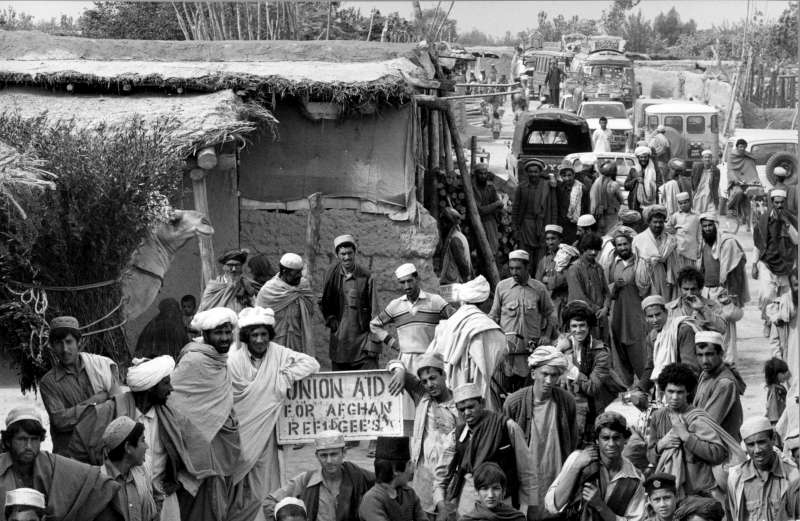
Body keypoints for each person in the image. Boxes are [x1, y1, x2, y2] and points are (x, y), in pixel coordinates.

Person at [68, 355, 230, 521]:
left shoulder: (173, 418)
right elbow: (78, 448)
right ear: (151, 386)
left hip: (164, 498)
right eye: (166, 383)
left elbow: (200, 452)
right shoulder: (108, 412)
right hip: (123, 497)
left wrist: (178, 480)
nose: (171, 389)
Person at [170, 307, 256, 520]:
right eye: (219, 333)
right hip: (201, 447)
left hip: (221, 442)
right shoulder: (194, 360)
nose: (225, 337)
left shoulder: (220, 359)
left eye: (228, 332)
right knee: (202, 506)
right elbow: (176, 402)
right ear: (206, 335)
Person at [229, 306, 320, 501]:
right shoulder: (234, 360)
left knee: (267, 478)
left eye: (264, 334)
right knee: (240, 482)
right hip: (241, 432)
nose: (260, 340)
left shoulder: (278, 353)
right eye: (255, 335)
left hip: (267, 430)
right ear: (247, 336)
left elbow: (312, 363)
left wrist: (285, 375)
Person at [0, 406, 120, 521]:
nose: (29, 446)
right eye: (22, 439)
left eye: (34, 439)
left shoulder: (54, 465)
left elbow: (101, 485)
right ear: (9, 441)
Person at [503, 346, 578, 519]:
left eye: (554, 375)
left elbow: (573, 442)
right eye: (545, 374)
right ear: (533, 374)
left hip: (557, 475)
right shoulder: (514, 403)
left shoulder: (566, 401)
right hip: (526, 479)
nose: (549, 380)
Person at [647, 363, 741, 499]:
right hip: (670, 493)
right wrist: (661, 445)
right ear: (663, 391)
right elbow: (651, 457)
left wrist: (686, 437)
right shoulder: (658, 417)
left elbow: (718, 454)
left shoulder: (698, 417)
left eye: (679, 392)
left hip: (700, 492)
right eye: (670, 391)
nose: (674, 397)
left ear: (688, 392)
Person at [437, 383, 532, 516]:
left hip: (502, 502)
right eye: (462, 410)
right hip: (469, 502)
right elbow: (442, 473)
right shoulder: (457, 435)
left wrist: (524, 508)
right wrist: (440, 501)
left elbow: (527, 471)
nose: (467, 413)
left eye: (471, 407)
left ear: (482, 403)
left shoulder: (506, 427)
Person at [387, 353, 457, 518]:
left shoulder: (461, 404)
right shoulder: (422, 396)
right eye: (424, 381)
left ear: (444, 375)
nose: (429, 384)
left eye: (433, 378)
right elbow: (393, 363)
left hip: (450, 476)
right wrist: (400, 371)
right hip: (424, 475)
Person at [39, 315, 119, 455]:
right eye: (59, 343)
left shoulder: (100, 368)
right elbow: (60, 420)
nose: (65, 349)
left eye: (69, 342)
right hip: (70, 456)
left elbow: (117, 402)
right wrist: (95, 401)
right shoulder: (49, 382)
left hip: (102, 451)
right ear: (52, 346)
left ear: (79, 342)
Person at [544, 411, 646, 521]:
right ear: (597, 440)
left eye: (616, 438)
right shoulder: (578, 459)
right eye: (605, 438)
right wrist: (576, 467)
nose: (611, 444)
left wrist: (600, 506)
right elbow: (552, 505)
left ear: (625, 440)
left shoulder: (634, 477)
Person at [263, 430, 375, 521]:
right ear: (317, 456)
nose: (329, 460)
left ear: (344, 453)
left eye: (334, 454)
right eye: (324, 456)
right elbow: (270, 502)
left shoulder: (358, 476)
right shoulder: (306, 480)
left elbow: (384, 488)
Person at [371, 263, 455, 379]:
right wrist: (395, 344)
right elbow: (374, 325)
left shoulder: (435, 301)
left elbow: (457, 318)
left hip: (430, 359)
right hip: (406, 362)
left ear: (417, 279)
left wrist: (444, 344)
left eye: (410, 281)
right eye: (403, 282)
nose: (407, 286)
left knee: (432, 394)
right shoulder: (395, 305)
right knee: (408, 396)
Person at [489, 250, 556, 393]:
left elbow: (551, 313)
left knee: (528, 394)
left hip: (529, 354)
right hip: (507, 354)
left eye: (518, 268)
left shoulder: (539, 289)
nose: (514, 272)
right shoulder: (502, 287)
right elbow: (494, 316)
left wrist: (547, 335)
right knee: (503, 394)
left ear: (527, 267)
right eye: (511, 268)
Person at [558, 301, 617, 441]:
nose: (578, 330)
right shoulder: (561, 346)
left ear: (589, 326)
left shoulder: (600, 352)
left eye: (582, 325)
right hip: (564, 412)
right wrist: (558, 350)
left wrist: (570, 369)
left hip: (591, 412)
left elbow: (593, 388)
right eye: (574, 326)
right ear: (568, 327)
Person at [319, 235, 380, 371]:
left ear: (355, 253)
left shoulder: (366, 276)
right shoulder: (330, 276)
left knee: (367, 387)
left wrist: (374, 342)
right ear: (337, 255)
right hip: (340, 344)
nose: (346, 257)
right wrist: (330, 318)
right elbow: (322, 301)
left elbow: (375, 312)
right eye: (343, 254)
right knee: (342, 388)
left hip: (362, 345)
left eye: (349, 253)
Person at [628, 295, 699, 405]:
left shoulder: (682, 330)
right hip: (663, 390)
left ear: (666, 312)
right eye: (650, 316)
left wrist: (674, 390)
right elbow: (651, 366)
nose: (655, 320)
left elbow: (690, 367)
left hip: (684, 390)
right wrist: (640, 388)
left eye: (658, 314)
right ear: (646, 318)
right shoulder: (652, 337)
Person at [727, 416, 800, 521]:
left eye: (761, 442)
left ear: (773, 439)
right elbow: (732, 514)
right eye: (751, 445)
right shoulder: (736, 477)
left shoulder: (792, 474)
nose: (757, 450)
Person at [698, 214, 748, 363]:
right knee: (707, 330)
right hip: (706, 292)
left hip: (722, 293)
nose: (707, 229)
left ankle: (728, 365)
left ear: (716, 225)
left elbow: (732, 270)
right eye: (704, 226)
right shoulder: (704, 243)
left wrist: (730, 295)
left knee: (725, 332)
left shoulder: (727, 242)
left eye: (710, 225)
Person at [754, 189, 798, 336]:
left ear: (785, 203)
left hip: (786, 266)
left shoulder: (791, 219)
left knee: (786, 300)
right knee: (767, 295)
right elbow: (758, 244)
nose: (779, 205)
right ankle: (767, 321)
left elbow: (797, 240)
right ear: (772, 202)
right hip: (767, 264)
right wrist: (754, 263)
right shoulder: (763, 219)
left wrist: (786, 224)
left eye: (781, 203)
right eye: (776, 202)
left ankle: (782, 329)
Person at [606, 229, 647, 385]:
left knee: (638, 350)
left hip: (635, 314)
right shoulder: (613, 264)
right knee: (619, 351)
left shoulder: (639, 263)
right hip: (618, 314)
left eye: (625, 244)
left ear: (631, 244)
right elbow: (607, 289)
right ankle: (626, 387)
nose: (623, 247)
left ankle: (645, 386)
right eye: (619, 245)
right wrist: (615, 286)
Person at [256, 253, 315, 354]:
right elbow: (258, 321)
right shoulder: (268, 290)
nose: (300, 276)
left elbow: (310, 310)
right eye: (296, 273)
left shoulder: (303, 287)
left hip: (299, 344)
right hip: (275, 344)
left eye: (300, 272)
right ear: (284, 271)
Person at [101, 417, 158, 521]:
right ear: (128, 447)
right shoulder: (100, 481)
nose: (147, 446)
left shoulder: (142, 472)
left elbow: (152, 513)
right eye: (142, 440)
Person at [692, 331, 745, 441]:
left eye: (709, 354)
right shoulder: (705, 374)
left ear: (721, 354)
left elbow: (707, 424)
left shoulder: (724, 383)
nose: (704, 361)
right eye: (700, 355)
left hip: (723, 448)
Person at [358, 436, 427, 521]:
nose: (412, 469)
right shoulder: (372, 500)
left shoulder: (409, 494)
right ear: (396, 470)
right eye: (409, 464)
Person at [513, 159, 558, 270]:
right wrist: (515, 228)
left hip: (543, 225)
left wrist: (553, 227)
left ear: (540, 172)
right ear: (527, 173)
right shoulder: (521, 187)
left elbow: (553, 207)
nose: (533, 174)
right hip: (526, 226)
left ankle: (539, 282)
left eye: (536, 171)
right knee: (525, 257)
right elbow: (516, 209)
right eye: (531, 172)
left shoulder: (547, 186)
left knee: (541, 258)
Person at [566, 233, 610, 342]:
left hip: (600, 318)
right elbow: (579, 297)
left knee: (601, 348)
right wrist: (598, 309)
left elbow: (607, 292)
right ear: (583, 249)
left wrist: (605, 308)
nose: (593, 252)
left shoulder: (598, 267)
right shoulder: (575, 268)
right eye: (590, 249)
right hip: (582, 319)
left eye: (596, 249)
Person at [665, 267, 727, 338]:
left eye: (693, 289)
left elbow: (722, 329)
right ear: (680, 288)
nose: (689, 293)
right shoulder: (669, 308)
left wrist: (703, 309)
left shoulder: (712, 306)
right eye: (686, 289)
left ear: (700, 289)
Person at [632, 205, 677, 300]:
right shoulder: (639, 239)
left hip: (666, 281)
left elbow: (674, 262)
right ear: (649, 222)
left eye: (661, 222)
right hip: (647, 281)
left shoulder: (670, 240)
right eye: (655, 222)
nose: (658, 225)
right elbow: (635, 263)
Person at [459, 463, 526, 521]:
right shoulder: (467, 519)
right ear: (476, 492)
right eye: (484, 489)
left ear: (504, 491)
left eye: (496, 489)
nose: (490, 495)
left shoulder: (517, 518)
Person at [535, 225, 569, 339]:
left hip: (563, 301)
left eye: (553, 238)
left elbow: (564, 280)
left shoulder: (567, 258)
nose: (550, 242)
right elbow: (537, 283)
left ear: (560, 240)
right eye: (548, 239)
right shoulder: (544, 260)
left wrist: (547, 280)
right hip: (548, 304)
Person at [198, 248, 257, 313]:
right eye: (230, 265)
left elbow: (258, 309)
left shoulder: (248, 284)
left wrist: (251, 294)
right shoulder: (214, 286)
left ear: (241, 267)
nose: (234, 269)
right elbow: (204, 311)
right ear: (224, 267)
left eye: (237, 265)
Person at [473, 163, 504, 257]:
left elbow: (500, 204)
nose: (483, 176)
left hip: (491, 222)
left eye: (485, 173)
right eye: (480, 174)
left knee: (493, 250)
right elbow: (480, 210)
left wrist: (497, 204)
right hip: (478, 222)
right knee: (481, 251)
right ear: (476, 175)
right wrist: (496, 204)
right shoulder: (473, 189)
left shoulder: (490, 187)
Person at [767, 272, 798, 365]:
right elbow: (774, 340)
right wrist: (779, 362)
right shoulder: (782, 306)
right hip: (789, 359)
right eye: (796, 285)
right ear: (791, 286)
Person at [725, 139, 759, 222]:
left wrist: (755, 180)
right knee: (739, 193)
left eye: (744, 147)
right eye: (740, 147)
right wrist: (736, 180)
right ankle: (731, 207)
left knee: (757, 193)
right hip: (735, 183)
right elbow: (730, 170)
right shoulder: (731, 156)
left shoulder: (748, 157)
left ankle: (752, 215)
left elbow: (752, 169)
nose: (742, 148)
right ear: (737, 147)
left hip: (748, 182)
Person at [665, 193, 701, 269]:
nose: (683, 205)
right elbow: (667, 227)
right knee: (679, 271)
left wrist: (699, 247)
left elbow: (699, 233)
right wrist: (674, 231)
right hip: (678, 249)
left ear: (690, 202)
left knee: (690, 271)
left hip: (691, 250)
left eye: (685, 202)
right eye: (681, 203)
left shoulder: (697, 216)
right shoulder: (676, 215)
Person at [590, 162, 625, 234]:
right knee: (611, 234)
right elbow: (621, 200)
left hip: (598, 215)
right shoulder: (614, 184)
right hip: (611, 215)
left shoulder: (596, 183)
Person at [440, 207, 473, 285]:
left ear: (449, 223)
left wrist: (465, 280)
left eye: (444, 222)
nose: (442, 225)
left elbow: (463, 266)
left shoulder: (455, 240)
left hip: (456, 283)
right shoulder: (457, 236)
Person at [626, 147, 662, 212]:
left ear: (648, 157)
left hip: (651, 203)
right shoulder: (634, 170)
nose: (643, 159)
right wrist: (635, 180)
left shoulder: (655, 170)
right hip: (635, 203)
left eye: (645, 157)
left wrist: (645, 183)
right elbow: (626, 186)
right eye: (641, 157)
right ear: (638, 158)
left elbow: (660, 185)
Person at [556, 166, 583, 245]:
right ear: (561, 177)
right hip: (562, 224)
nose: (567, 178)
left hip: (576, 224)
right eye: (564, 176)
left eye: (569, 175)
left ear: (574, 175)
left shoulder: (580, 188)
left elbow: (585, 207)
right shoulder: (559, 188)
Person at [765, 357, 790, 426]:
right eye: (784, 373)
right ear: (777, 374)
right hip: (779, 423)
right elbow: (773, 413)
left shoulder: (777, 388)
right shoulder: (775, 390)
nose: (786, 375)